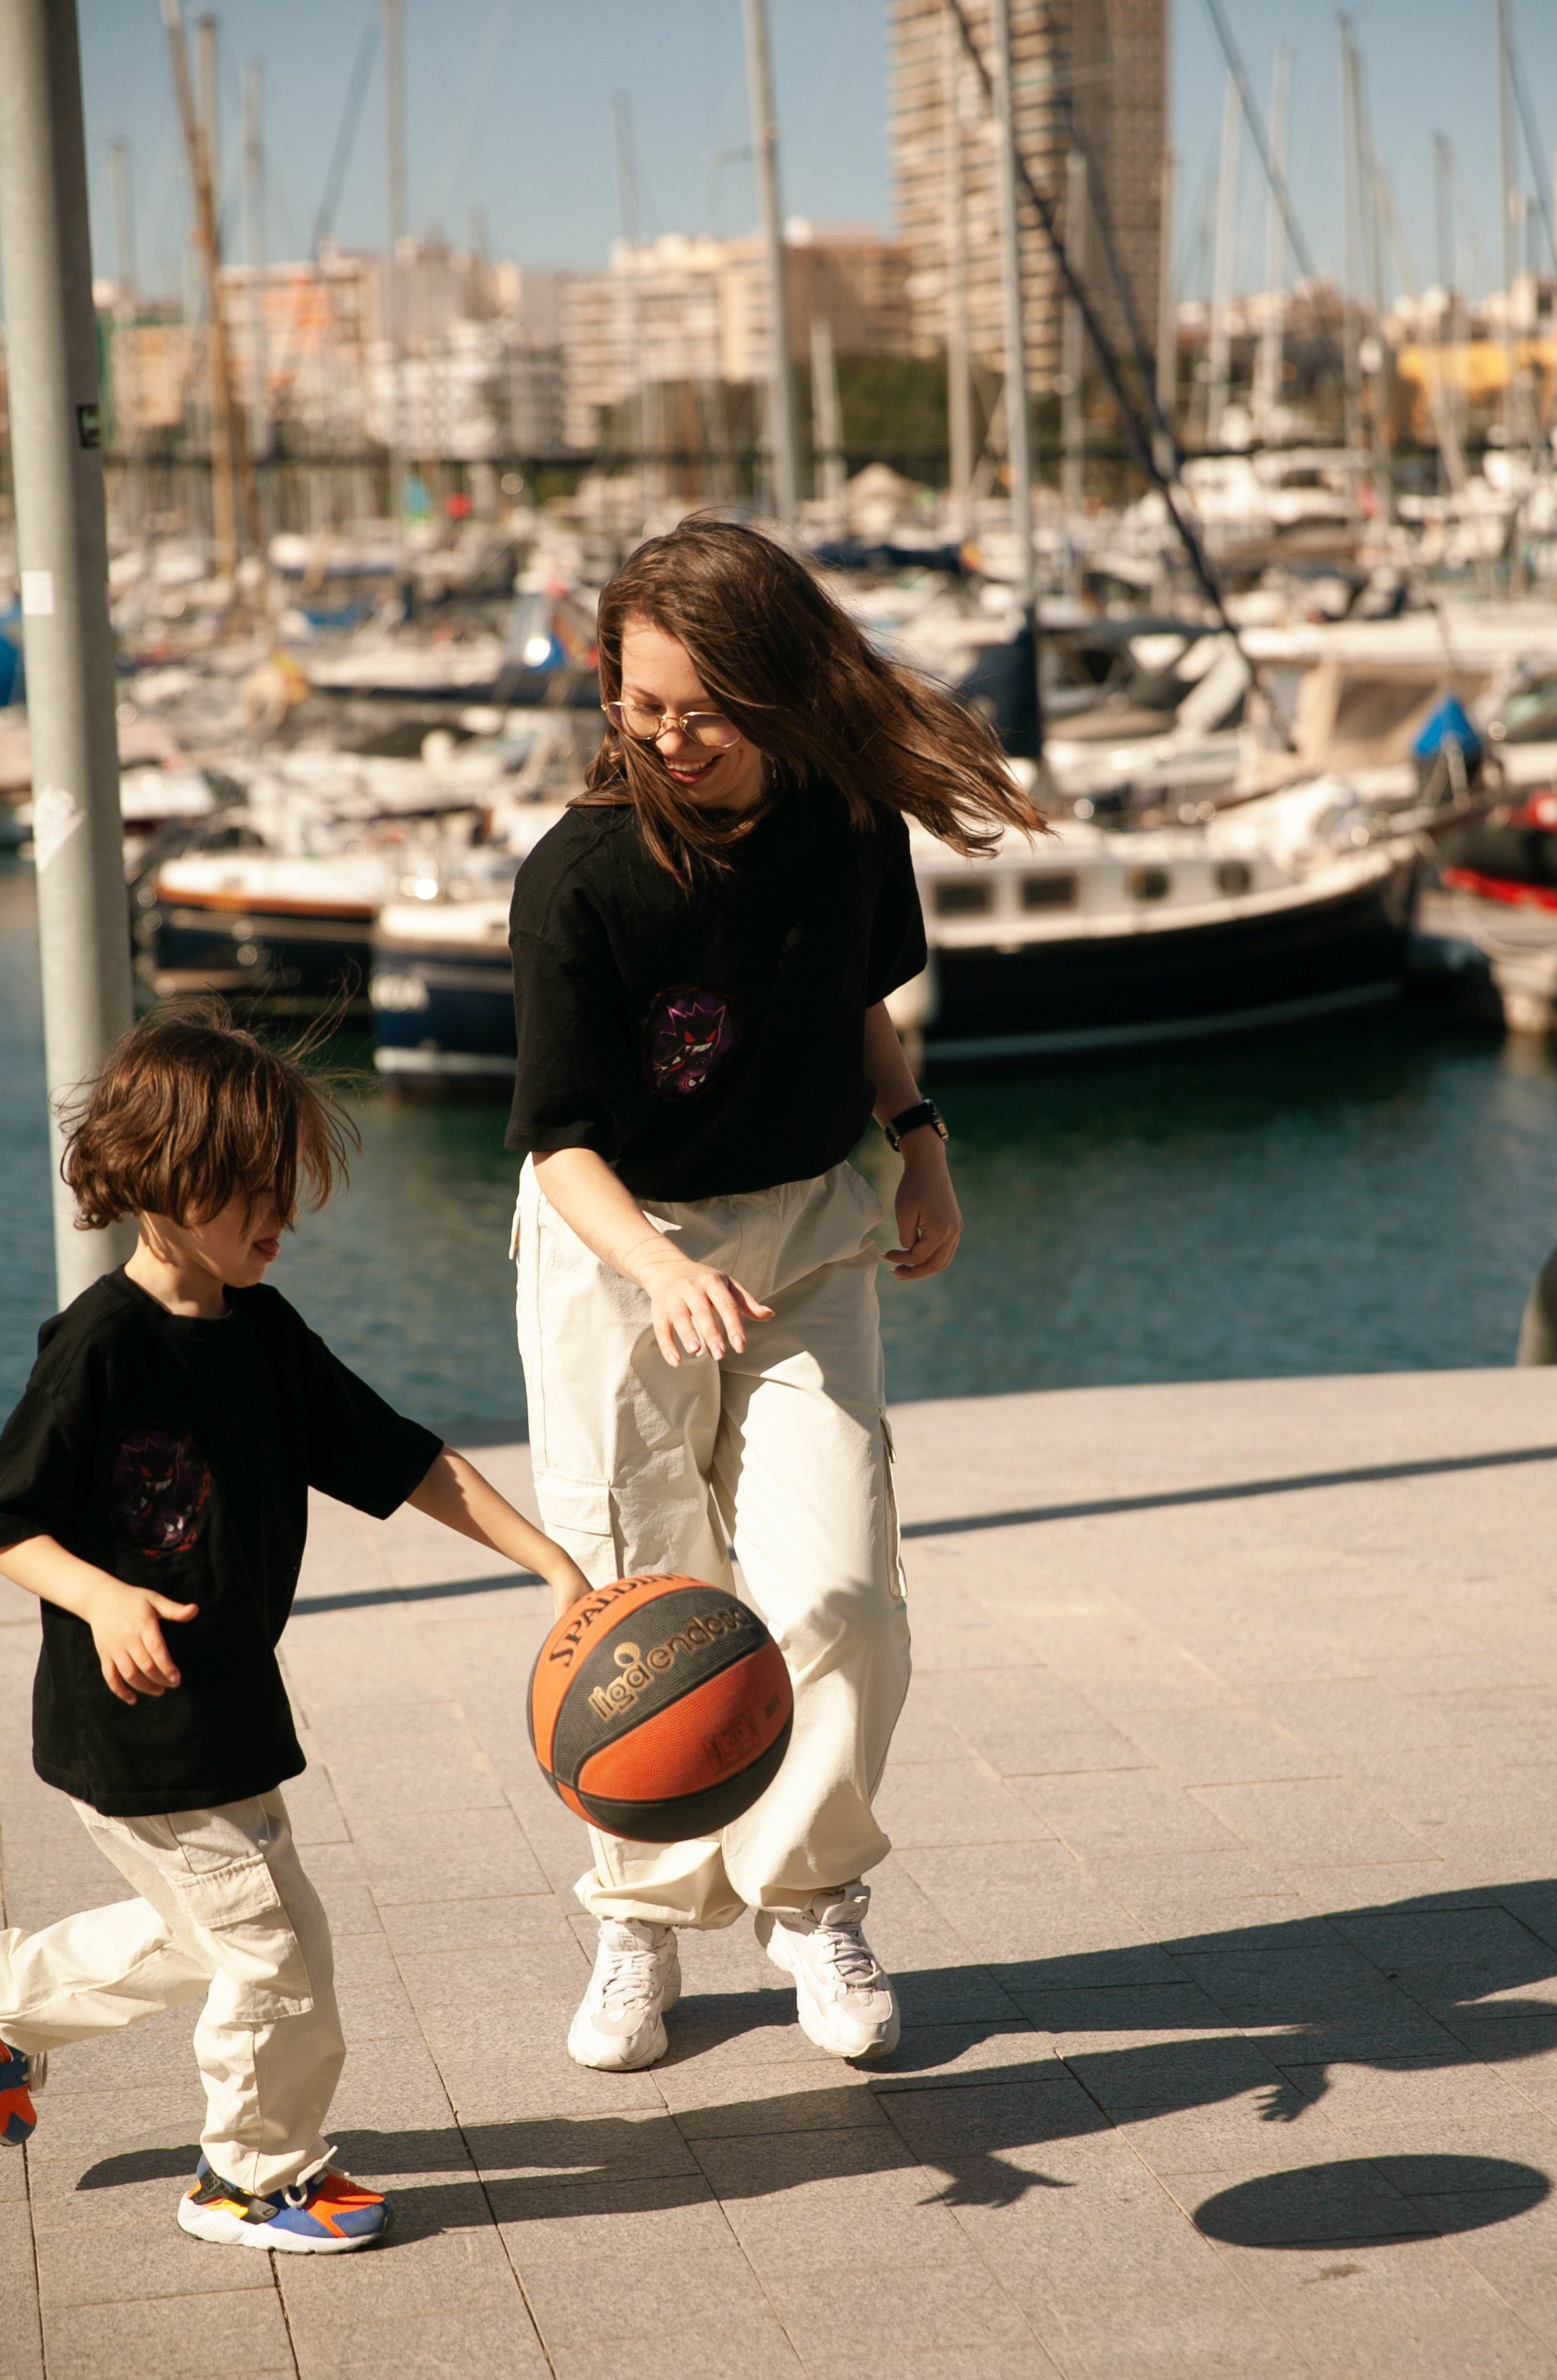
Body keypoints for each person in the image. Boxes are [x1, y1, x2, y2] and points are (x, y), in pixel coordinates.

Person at [507, 517, 1044, 2072]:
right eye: (641, 704)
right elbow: (559, 1144)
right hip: (622, 1247)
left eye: (704, 709)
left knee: (842, 1591)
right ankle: (643, 1911)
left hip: (808, 1230)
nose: (669, 737)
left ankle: (810, 1897)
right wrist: (661, 1267)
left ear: (776, 690)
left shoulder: (846, 822)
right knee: (640, 1603)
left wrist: (920, 1142)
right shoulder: (579, 878)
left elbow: (858, 1004)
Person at [0, 1009, 588, 2249]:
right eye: (255, 1190)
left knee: (202, 1937)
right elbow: (8, 1518)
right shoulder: (100, 1346)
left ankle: (8, 2009)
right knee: (276, 1954)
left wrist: (549, 1562)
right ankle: (249, 2177)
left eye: (289, 1187)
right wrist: (101, 1596)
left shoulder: (265, 1333)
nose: (285, 1216)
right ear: (167, 1181)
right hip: (138, 1728)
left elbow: (403, 1457)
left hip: (226, 1714)